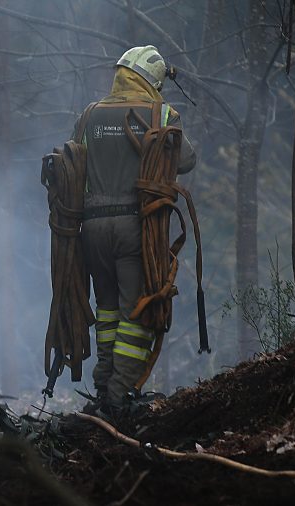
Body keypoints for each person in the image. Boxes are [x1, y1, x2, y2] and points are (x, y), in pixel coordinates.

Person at [74, 45, 196, 414]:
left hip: (92, 230)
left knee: (107, 309)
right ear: (153, 81)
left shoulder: (89, 115)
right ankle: (117, 395)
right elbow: (186, 159)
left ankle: (103, 388)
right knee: (138, 311)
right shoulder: (161, 112)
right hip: (136, 227)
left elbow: (73, 164)